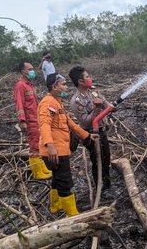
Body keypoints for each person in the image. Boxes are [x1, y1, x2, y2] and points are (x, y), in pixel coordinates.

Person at [38, 73, 96, 217]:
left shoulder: (58, 103)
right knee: (64, 182)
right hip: (55, 151)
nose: (66, 87)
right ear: (54, 86)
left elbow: (72, 125)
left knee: (57, 178)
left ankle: (55, 206)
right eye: (63, 84)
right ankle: (72, 215)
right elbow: (44, 124)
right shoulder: (47, 103)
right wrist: (50, 146)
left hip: (60, 149)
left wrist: (87, 135)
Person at [68, 66, 114, 193]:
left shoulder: (93, 92)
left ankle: (107, 183)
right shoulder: (76, 101)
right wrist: (96, 108)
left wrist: (111, 106)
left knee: (106, 157)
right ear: (80, 82)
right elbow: (86, 121)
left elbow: (106, 103)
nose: (90, 79)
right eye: (87, 77)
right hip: (90, 134)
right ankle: (101, 187)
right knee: (97, 159)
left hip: (101, 129)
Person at [13, 61, 52, 180]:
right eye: (30, 69)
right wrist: (22, 120)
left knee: (39, 143)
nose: (32, 71)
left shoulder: (29, 84)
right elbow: (19, 103)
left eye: (32, 69)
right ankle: (37, 171)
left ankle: (42, 167)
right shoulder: (20, 85)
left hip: (36, 118)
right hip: (29, 120)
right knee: (34, 145)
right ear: (23, 71)